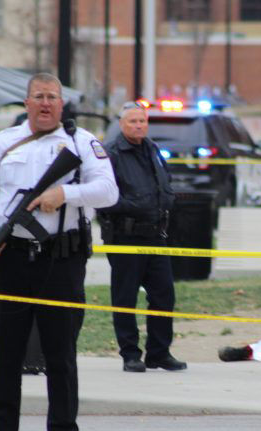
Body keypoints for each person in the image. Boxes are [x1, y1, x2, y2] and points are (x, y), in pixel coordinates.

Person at [0, 72, 118, 431]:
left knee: (60, 350)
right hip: (10, 256)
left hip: (61, 259)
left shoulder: (81, 143)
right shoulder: (3, 142)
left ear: (61, 103)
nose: (45, 103)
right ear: (26, 103)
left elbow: (108, 191)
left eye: (52, 96)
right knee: (7, 349)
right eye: (38, 96)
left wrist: (65, 193)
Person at [97, 101, 187, 373]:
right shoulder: (110, 153)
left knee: (164, 295)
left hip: (155, 236)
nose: (138, 125)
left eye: (142, 121)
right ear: (121, 125)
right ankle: (130, 354)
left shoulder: (152, 149)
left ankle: (159, 353)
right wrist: (136, 206)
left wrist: (167, 199)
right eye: (132, 121)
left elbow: (164, 182)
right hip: (126, 236)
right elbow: (101, 197)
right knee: (125, 298)